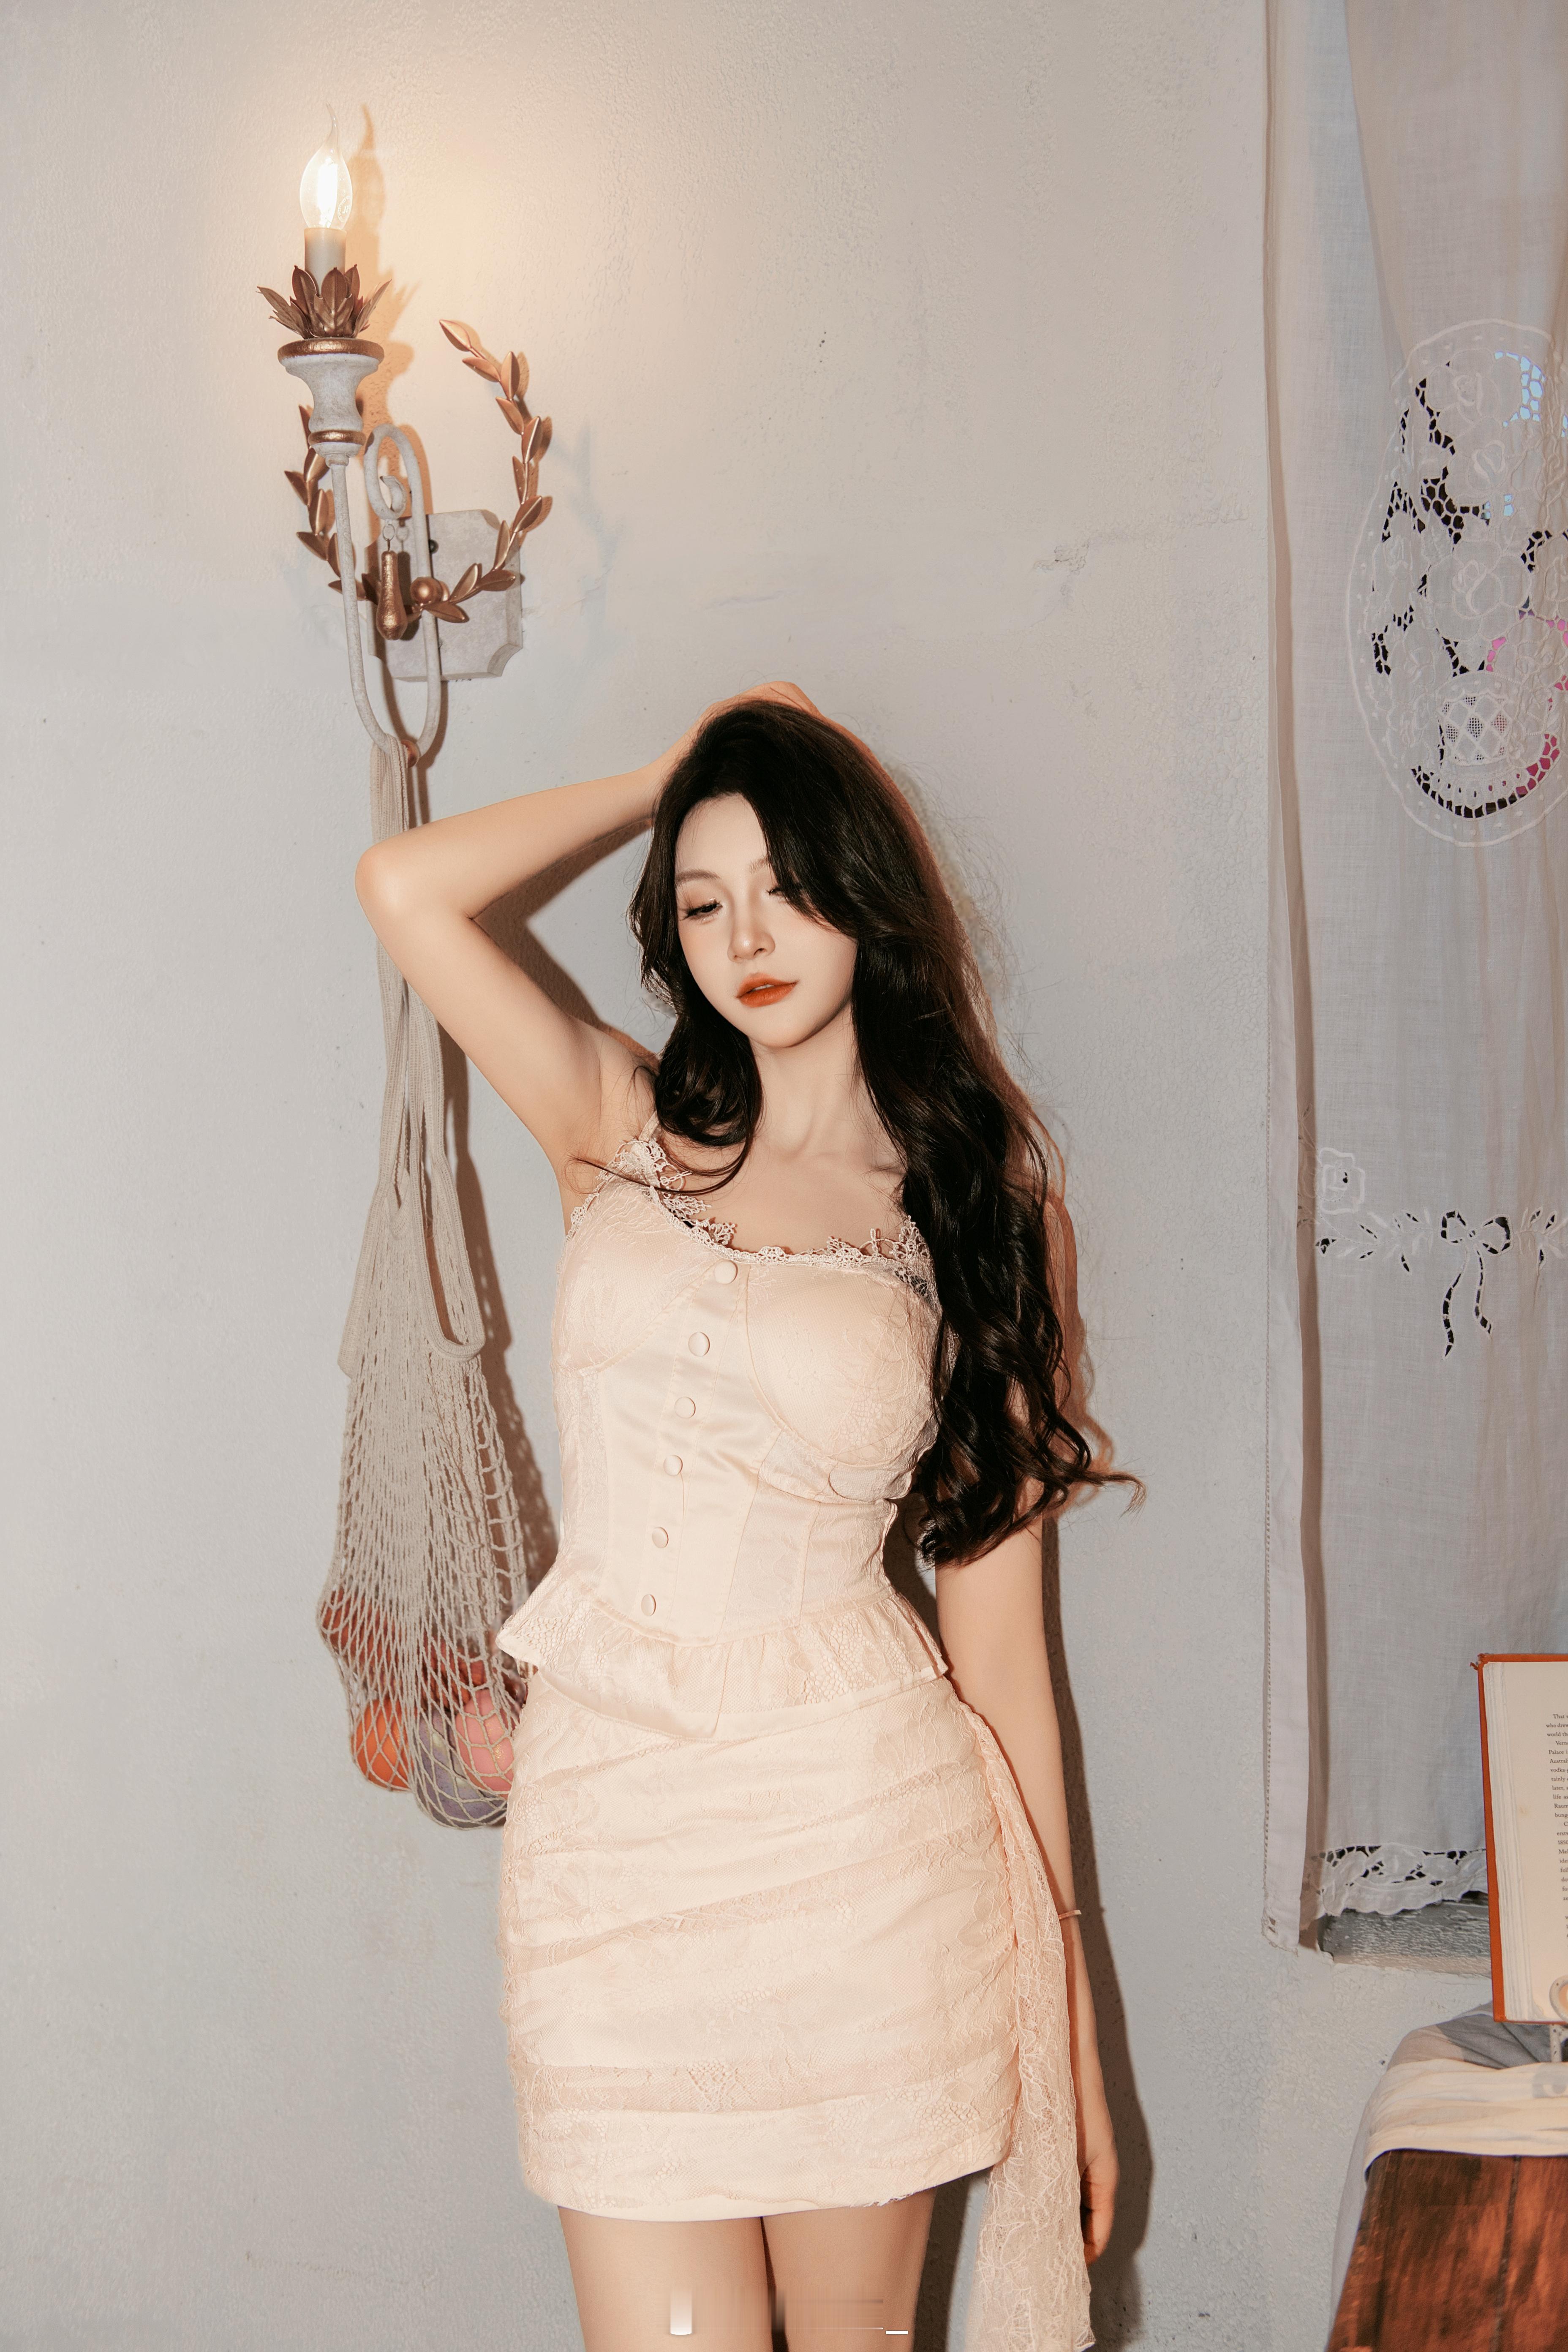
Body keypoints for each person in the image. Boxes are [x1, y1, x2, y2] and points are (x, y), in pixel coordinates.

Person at [354, 684, 1125, 2352]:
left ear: (866, 892)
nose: (747, 938)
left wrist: (1064, 2012)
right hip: (611, 1840)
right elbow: (403, 888)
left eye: (784, 885)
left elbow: (1003, 1655)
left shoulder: (981, 1219)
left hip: (861, 1848)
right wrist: (672, 774)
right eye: (703, 904)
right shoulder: (619, 1132)